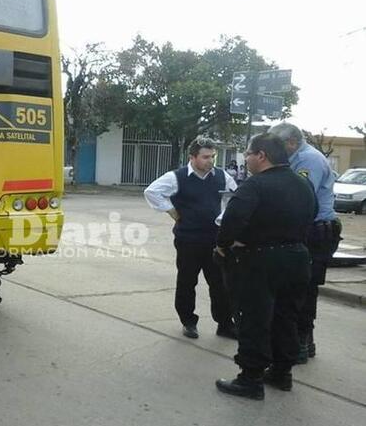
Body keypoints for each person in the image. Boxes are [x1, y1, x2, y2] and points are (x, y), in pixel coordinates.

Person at [215, 133, 316, 400]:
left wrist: (224, 245)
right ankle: (282, 373)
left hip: (260, 261)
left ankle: (250, 379)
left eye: (248, 154)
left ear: (261, 155)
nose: (246, 159)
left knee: (254, 319)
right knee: (287, 318)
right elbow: (312, 215)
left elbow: (232, 219)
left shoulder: (255, 185)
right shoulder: (303, 184)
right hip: (297, 258)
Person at [144, 136, 238, 339]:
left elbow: (236, 199)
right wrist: (171, 211)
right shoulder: (176, 177)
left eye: (213, 156)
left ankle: (224, 324)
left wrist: (224, 219)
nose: (210, 161)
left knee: (220, 284)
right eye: (205, 157)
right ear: (192, 157)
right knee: (187, 282)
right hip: (188, 240)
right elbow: (152, 192)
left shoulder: (222, 176)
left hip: (215, 240)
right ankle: (188, 321)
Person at [269, 123, 341, 363]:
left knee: (304, 288)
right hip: (309, 229)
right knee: (300, 287)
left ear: (290, 142)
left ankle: (301, 341)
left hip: (317, 231)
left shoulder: (308, 160)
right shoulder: (297, 157)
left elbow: (301, 198)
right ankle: (303, 341)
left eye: (278, 145)